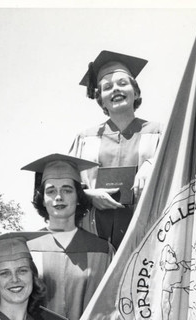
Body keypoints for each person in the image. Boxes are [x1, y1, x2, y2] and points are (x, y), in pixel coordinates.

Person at [69, 50, 163, 249]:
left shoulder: (159, 133)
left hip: (149, 235)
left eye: (122, 83)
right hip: (94, 238)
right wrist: (88, 196)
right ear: (100, 99)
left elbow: (180, 168)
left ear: (136, 92)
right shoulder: (85, 139)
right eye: (107, 87)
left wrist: (152, 163)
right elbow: (64, 184)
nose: (115, 90)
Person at [21, 153, 113, 320]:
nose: (59, 197)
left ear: (79, 197)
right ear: (42, 198)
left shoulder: (103, 251)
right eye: (51, 191)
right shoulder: (27, 248)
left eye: (67, 190)